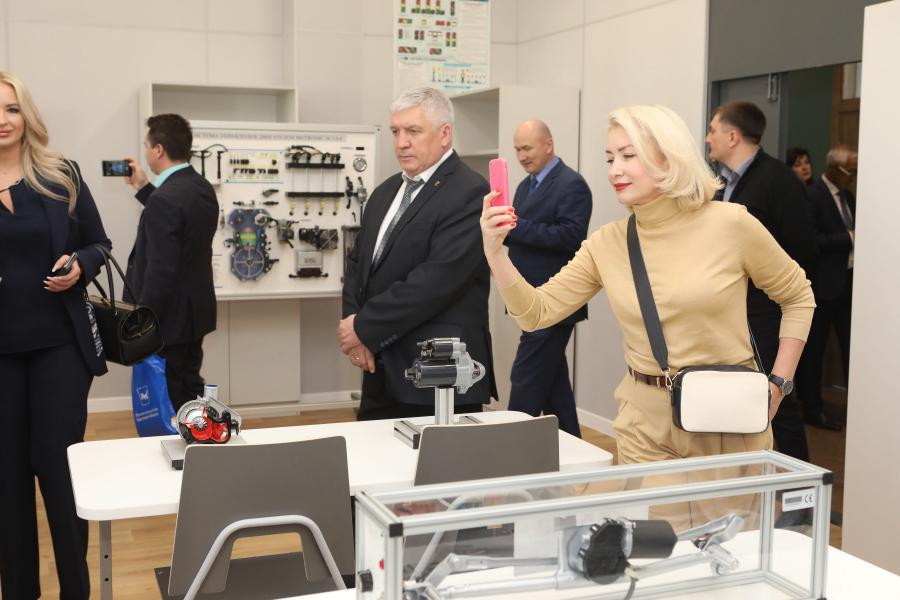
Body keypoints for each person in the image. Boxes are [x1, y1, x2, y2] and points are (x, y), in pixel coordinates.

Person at [481, 104, 814, 469]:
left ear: (668, 159)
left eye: (628, 155)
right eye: (610, 158)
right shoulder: (607, 243)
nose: (614, 170)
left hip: (728, 423)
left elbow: (798, 295)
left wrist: (780, 383)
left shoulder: (731, 224)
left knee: (727, 511)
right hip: (644, 428)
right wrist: (495, 254)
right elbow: (536, 313)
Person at [0, 71, 111, 600]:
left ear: (27, 116)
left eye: (11, 108)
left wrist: (80, 265)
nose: (3, 120)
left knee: (60, 472)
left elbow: (99, 243)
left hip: (59, 348)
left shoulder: (60, 174)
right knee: (7, 482)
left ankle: (75, 591)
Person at [339, 87, 496, 419]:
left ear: (445, 134)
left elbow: (434, 282)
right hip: (379, 365)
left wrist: (363, 327)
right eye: (395, 131)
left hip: (437, 374)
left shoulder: (470, 191)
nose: (401, 142)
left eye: (413, 131)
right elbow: (358, 265)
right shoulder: (384, 193)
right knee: (373, 451)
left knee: (436, 456)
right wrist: (355, 329)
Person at [706, 101, 818, 462]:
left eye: (713, 130)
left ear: (733, 136)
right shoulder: (722, 183)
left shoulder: (779, 181)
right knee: (734, 400)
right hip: (732, 313)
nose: (707, 138)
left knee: (778, 403)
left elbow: (802, 250)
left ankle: (801, 493)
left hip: (767, 314)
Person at [124, 114, 218, 411]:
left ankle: (183, 441)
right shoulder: (200, 187)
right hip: (194, 315)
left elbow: (160, 270)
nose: (146, 152)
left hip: (168, 321)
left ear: (159, 150)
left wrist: (143, 322)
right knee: (190, 386)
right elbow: (178, 219)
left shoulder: (165, 198)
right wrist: (144, 188)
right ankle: (202, 436)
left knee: (171, 399)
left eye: (146, 146)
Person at [504, 119, 592, 437]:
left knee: (525, 378)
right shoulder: (524, 186)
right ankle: (572, 445)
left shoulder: (572, 184)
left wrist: (515, 227)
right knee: (555, 386)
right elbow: (518, 233)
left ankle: (508, 447)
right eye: (517, 150)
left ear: (548, 144)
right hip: (529, 299)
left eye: (527, 148)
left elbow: (571, 237)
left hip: (555, 302)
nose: (522, 156)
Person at [796, 146, 857, 431]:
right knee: (814, 352)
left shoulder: (849, 197)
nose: (853, 177)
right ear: (834, 168)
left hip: (849, 285)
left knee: (851, 349)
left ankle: (857, 409)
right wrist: (849, 237)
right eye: (850, 171)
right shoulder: (813, 196)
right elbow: (812, 241)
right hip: (822, 287)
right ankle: (812, 409)